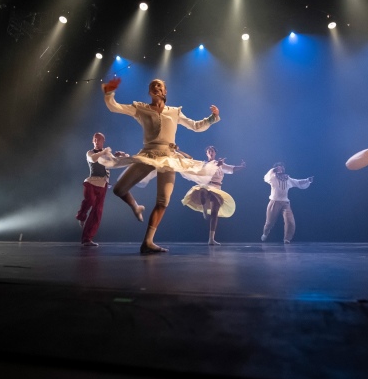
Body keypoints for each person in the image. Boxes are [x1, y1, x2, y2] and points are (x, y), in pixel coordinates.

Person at [101, 77, 221, 254]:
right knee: (118, 189)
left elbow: (195, 126)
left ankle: (148, 242)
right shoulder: (140, 108)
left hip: (169, 157)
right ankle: (136, 206)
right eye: (152, 86)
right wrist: (109, 92)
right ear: (149, 92)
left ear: (165, 92)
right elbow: (114, 107)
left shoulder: (174, 112)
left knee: (163, 201)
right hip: (148, 155)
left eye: (159, 85)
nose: (156, 87)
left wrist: (212, 118)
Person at [181, 146, 246, 245]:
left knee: (215, 213)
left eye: (212, 151)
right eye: (209, 151)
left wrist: (241, 166)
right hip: (207, 186)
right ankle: (204, 208)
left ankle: (211, 239)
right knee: (202, 189)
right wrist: (180, 153)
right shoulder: (204, 164)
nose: (211, 152)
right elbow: (191, 162)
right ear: (207, 153)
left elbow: (232, 169)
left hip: (217, 188)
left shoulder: (220, 164)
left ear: (215, 153)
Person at [75, 132, 129, 247]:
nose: (96, 142)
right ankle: (81, 216)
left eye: (98, 140)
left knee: (97, 211)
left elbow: (116, 163)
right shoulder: (90, 153)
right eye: (94, 139)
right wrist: (104, 152)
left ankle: (87, 239)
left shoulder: (107, 154)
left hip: (103, 184)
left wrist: (122, 156)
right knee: (89, 200)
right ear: (92, 141)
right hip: (91, 182)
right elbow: (93, 159)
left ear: (103, 141)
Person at [261, 162, 313, 244]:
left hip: (285, 203)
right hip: (274, 202)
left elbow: (297, 182)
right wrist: (274, 169)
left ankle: (287, 238)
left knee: (290, 221)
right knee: (269, 222)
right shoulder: (273, 177)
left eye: (281, 167)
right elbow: (266, 176)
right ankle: (265, 233)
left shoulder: (287, 178)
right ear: (275, 169)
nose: (280, 169)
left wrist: (307, 180)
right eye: (278, 168)